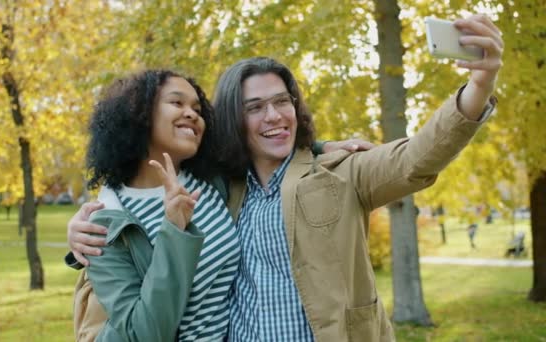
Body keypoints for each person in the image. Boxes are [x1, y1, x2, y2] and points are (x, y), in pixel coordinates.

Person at [69, 14, 503, 341]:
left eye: (282, 102)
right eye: (254, 107)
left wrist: (478, 88)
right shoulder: (213, 190)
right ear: (235, 122)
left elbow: (416, 157)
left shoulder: (334, 174)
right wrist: (82, 238)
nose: (273, 116)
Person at [74, 69, 241, 341]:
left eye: (197, 109)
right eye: (177, 103)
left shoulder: (212, 180)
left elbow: (267, 144)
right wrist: (174, 229)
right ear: (139, 115)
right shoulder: (104, 225)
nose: (192, 114)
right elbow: (143, 334)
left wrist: (317, 147)